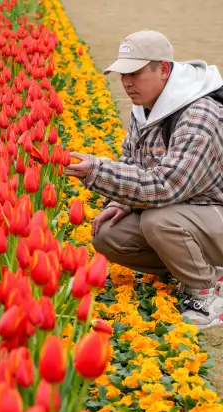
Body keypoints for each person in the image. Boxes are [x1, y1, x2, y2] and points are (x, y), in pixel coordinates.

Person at [65, 31, 223, 328]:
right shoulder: (146, 106)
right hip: (193, 215)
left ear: (163, 69)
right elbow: (132, 161)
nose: (126, 82)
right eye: (123, 73)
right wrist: (121, 202)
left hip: (212, 210)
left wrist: (95, 171)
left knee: (159, 220)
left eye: (135, 73)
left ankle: (207, 294)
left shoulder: (199, 113)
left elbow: (165, 186)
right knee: (110, 235)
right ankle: (203, 269)